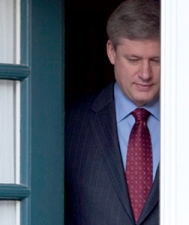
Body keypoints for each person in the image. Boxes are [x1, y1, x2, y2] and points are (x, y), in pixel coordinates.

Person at [65, 0, 160, 224]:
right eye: (134, 60)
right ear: (112, 52)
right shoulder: (70, 123)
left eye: (156, 60)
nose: (145, 74)